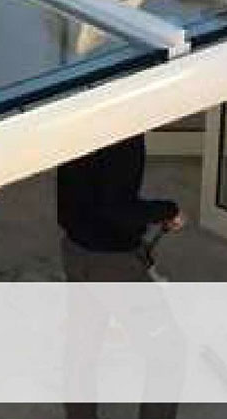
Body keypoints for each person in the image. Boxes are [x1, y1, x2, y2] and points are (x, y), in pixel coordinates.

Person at [56, 134, 186, 419]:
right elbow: (117, 209)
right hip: (112, 264)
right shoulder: (124, 137)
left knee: (81, 352)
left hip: (75, 251)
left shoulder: (78, 120)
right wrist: (167, 210)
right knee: (168, 353)